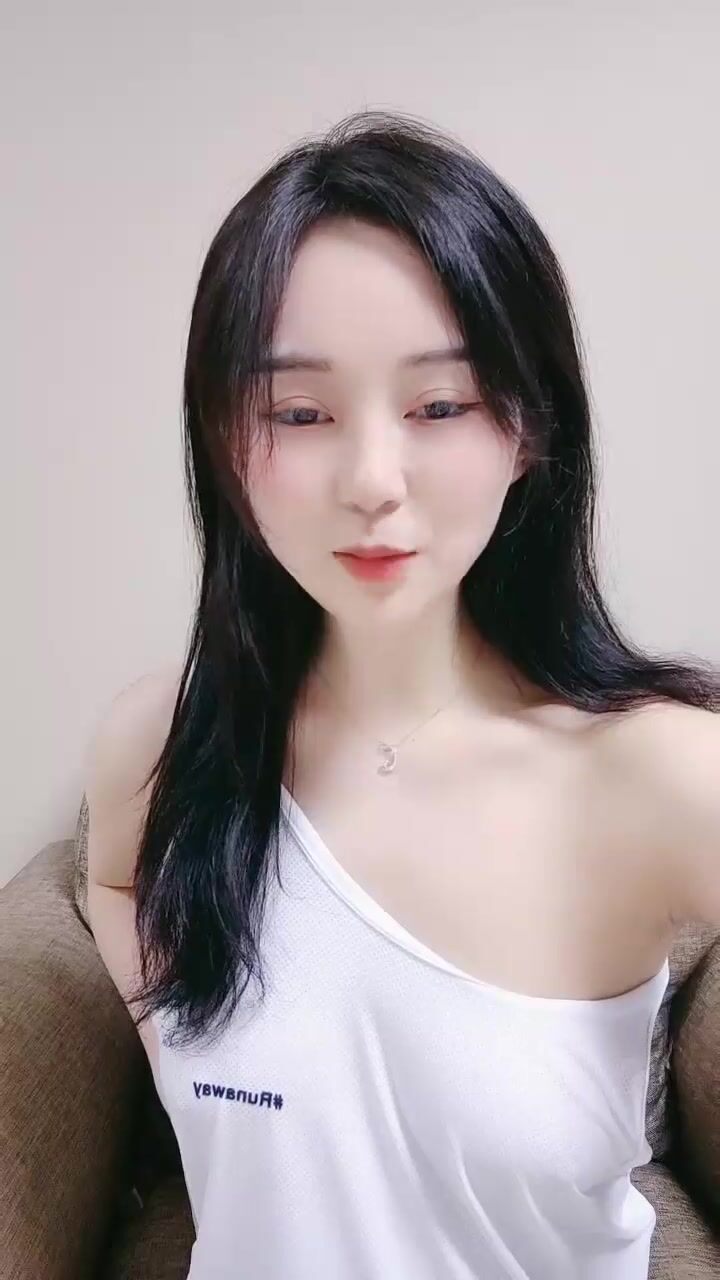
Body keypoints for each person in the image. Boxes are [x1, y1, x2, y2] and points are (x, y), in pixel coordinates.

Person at [84, 109, 720, 1279]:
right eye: (300, 413)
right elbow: (115, 878)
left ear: (528, 427)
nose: (374, 479)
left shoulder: (656, 771)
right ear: (223, 441)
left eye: (440, 406)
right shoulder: (166, 740)